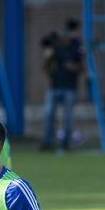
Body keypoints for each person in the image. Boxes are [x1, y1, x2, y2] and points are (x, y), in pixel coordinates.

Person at [40, 19, 84, 153]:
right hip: (54, 86)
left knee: (68, 117)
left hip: (70, 87)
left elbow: (81, 67)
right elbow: (46, 63)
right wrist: (48, 54)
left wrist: (73, 67)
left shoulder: (76, 46)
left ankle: (66, 143)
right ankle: (47, 142)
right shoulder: (55, 48)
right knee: (49, 115)